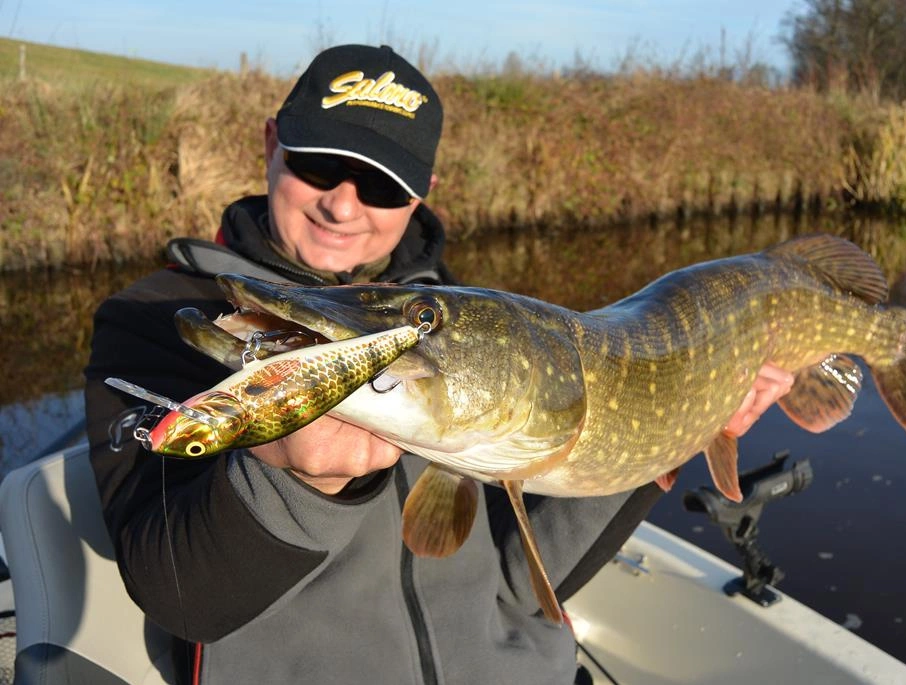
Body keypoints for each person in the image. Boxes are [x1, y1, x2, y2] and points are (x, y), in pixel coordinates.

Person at [85, 44, 792, 684]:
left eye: (382, 186)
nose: (341, 204)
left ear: (419, 193)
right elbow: (183, 597)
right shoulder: (163, 317)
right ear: (271, 143)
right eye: (317, 166)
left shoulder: (468, 325)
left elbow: (519, 581)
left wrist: (671, 429)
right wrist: (293, 481)